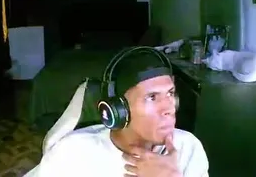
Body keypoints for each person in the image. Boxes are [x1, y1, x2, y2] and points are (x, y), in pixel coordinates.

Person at [27, 47, 209, 176]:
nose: (168, 108)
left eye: (170, 93)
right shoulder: (72, 154)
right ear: (118, 110)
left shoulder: (189, 148)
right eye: (152, 97)